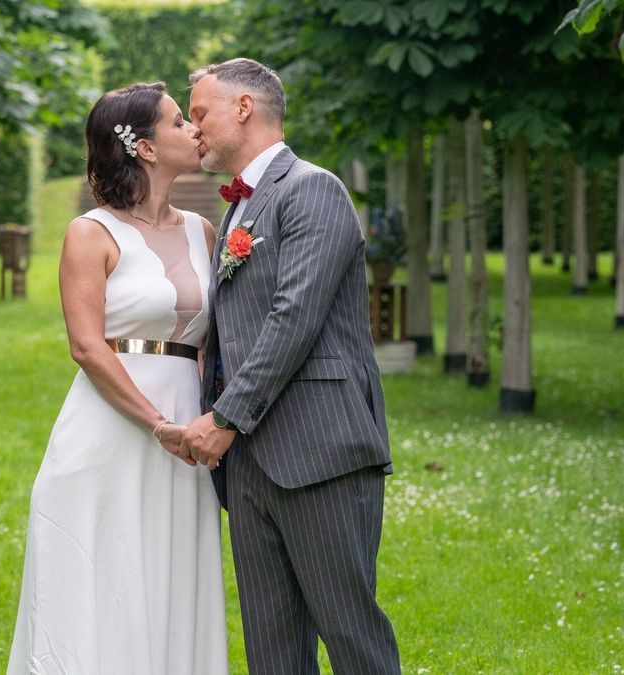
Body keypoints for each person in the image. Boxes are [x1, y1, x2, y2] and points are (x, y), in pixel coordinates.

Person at [182, 58, 402, 674]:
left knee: (353, 638)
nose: (193, 127)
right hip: (250, 463)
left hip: (320, 452)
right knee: (272, 651)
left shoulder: (314, 188)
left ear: (243, 108)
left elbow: (293, 317)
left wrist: (223, 417)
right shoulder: (237, 210)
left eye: (200, 112)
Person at [7, 82, 227, 675]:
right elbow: (86, 345)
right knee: (108, 574)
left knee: (172, 569)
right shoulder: (90, 234)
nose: (195, 130)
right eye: (180, 122)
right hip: (110, 431)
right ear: (147, 149)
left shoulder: (204, 233)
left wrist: (206, 421)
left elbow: (209, 342)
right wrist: (157, 424)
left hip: (188, 431)